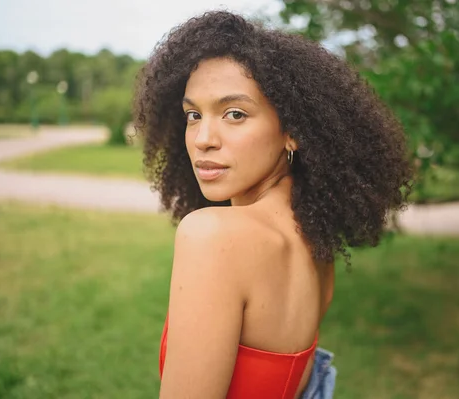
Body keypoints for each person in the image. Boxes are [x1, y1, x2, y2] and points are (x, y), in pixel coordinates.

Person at [133, 10, 412, 399]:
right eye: (193, 115)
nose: (202, 138)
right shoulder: (314, 236)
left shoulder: (212, 236)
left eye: (235, 114)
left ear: (293, 132)